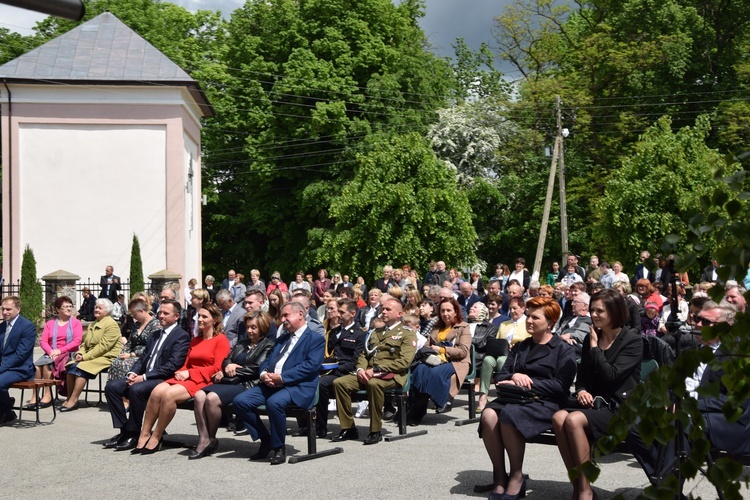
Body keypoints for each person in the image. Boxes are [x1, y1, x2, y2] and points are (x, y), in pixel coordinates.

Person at [480, 296, 577, 500]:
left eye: (535, 317)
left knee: (508, 415)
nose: (529, 321)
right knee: (488, 414)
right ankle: (499, 476)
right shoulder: (522, 346)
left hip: (545, 401)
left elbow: (561, 385)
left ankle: (516, 476)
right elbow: (501, 375)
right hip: (515, 397)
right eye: (528, 316)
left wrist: (527, 382)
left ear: (550, 323)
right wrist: (515, 375)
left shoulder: (562, 349)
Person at [553, 288, 642, 500]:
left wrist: (595, 349)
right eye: (592, 310)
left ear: (614, 311)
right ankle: (579, 484)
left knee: (573, 420)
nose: (593, 315)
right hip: (594, 403)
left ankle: (584, 491)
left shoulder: (633, 340)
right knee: (558, 418)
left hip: (619, 406)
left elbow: (612, 376)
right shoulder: (592, 338)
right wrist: (582, 390)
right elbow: (582, 375)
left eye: (599, 311)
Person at [233, 302, 325, 464]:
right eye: (282, 316)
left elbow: (310, 367)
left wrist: (281, 378)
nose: (282, 320)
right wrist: (263, 375)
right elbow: (268, 360)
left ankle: (278, 447)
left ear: (300, 315)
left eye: (286, 315)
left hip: (298, 387)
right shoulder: (282, 339)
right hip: (271, 384)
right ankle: (266, 439)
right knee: (240, 401)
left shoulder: (315, 339)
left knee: (274, 403)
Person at [134, 302, 230, 454]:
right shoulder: (195, 340)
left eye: (205, 317)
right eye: (199, 316)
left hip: (204, 380)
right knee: (157, 391)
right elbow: (186, 363)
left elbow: (217, 368)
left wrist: (190, 374)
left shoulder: (221, 340)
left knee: (168, 395)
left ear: (215, 320)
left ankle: (157, 436)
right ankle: (144, 433)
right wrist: (182, 372)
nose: (200, 320)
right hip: (187, 377)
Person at [102, 299, 190, 451]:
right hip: (143, 376)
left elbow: (172, 366)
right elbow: (143, 358)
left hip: (162, 380)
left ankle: (134, 432)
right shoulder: (155, 335)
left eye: (165, 313)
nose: (161, 316)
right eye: (160, 312)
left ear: (176, 317)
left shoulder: (181, 336)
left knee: (137, 389)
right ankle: (125, 430)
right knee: (112, 387)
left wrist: (144, 377)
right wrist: (132, 373)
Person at [190, 311, 275, 459]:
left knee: (211, 399)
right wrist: (228, 367)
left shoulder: (268, 345)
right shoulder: (242, 343)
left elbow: (257, 368)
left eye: (253, 327)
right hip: (230, 381)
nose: (249, 331)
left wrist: (234, 369)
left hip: (248, 383)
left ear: (262, 327)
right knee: (199, 395)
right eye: (248, 327)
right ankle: (204, 438)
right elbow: (226, 359)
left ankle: (210, 438)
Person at [332, 298, 416, 445]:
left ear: (399, 314)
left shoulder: (407, 333)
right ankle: (348, 428)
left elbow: (404, 361)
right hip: (369, 373)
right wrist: (360, 370)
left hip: (392, 375)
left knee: (374, 384)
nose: (383, 311)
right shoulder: (375, 332)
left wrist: (376, 369)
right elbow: (365, 354)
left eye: (388, 309)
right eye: (383, 309)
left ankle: (375, 430)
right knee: (340, 383)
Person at [297, 299, 365, 439]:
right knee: (304, 379)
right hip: (330, 369)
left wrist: (334, 369)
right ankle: (306, 424)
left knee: (321, 384)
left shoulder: (359, 334)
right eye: (338, 311)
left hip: (346, 372)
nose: (338, 315)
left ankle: (321, 427)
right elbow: (328, 354)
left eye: (342, 312)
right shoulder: (334, 332)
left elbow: (356, 361)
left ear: (353, 313)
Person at [407, 298, 471, 422]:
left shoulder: (463, 328)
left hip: (456, 361)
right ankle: (416, 408)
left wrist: (442, 349)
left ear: (456, 312)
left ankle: (441, 401)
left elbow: (463, 351)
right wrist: (429, 349)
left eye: (448, 310)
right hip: (435, 359)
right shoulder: (436, 327)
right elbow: (427, 344)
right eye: (442, 311)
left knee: (433, 373)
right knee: (419, 370)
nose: (445, 314)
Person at [60, 298, 122, 412]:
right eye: (96, 307)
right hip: (92, 355)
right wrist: (80, 353)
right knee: (71, 366)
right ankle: (69, 398)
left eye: (100, 308)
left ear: (107, 311)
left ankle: (73, 400)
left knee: (81, 368)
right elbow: (85, 343)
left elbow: (103, 347)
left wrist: (85, 357)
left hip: (107, 356)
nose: (96, 310)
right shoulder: (93, 324)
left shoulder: (111, 324)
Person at [26, 296, 83, 408]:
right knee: (37, 366)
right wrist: (51, 351)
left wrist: (59, 351)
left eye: (70, 306)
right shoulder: (50, 323)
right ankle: (35, 395)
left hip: (68, 353)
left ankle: (48, 394)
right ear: (57, 309)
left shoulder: (76, 323)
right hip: (51, 352)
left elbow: (77, 341)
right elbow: (43, 341)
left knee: (47, 366)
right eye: (65, 306)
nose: (69, 309)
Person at [477, 297, 528, 410]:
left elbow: (529, 341)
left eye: (515, 308)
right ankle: (483, 396)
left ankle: (504, 394)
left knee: (501, 360)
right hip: (501, 352)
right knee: (488, 360)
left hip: (517, 355)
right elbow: (497, 340)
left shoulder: (527, 323)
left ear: (523, 308)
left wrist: (516, 345)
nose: (512, 311)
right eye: (510, 308)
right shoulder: (504, 324)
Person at [0, 296, 37, 425]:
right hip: (5, 367)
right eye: (3, 309)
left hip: (20, 368)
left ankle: (6, 411)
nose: (5, 312)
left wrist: (1, 367)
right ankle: (7, 409)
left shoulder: (27, 327)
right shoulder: (2, 327)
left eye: (8, 309)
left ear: (18, 309)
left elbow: (21, 355)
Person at [107, 297, 159, 382]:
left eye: (135, 315)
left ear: (142, 311)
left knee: (124, 364)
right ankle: (113, 391)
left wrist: (132, 354)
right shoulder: (137, 325)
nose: (134, 318)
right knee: (116, 362)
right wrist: (123, 353)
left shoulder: (155, 325)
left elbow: (153, 346)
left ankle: (124, 390)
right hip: (132, 354)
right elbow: (130, 342)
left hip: (145, 357)